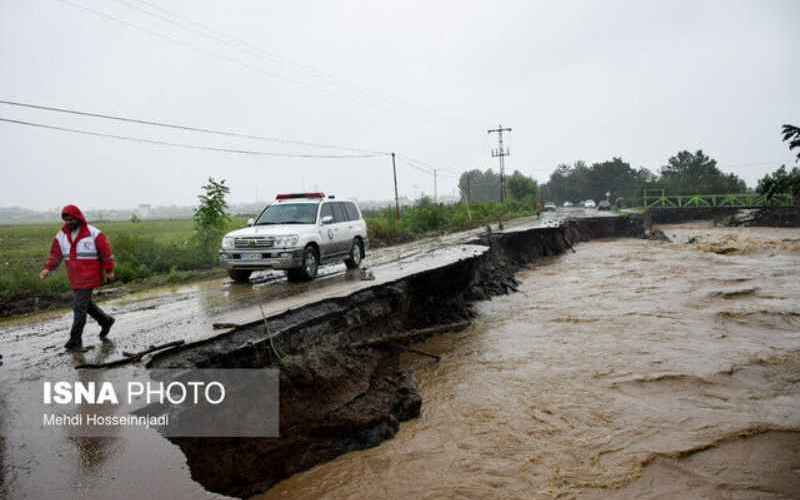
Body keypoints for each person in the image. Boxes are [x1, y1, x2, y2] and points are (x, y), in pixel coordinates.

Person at [40, 205, 116, 350]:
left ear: (79, 218)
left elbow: (106, 253)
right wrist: (47, 268)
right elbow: (55, 254)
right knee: (85, 305)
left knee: (79, 307)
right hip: (75, 276)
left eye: (71, 219)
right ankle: (106, 321)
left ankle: (75, 340)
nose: (69, 222)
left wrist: (109, 270)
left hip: (90, 275)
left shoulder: (94, 233)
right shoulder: (61, 236)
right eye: (66, 220)